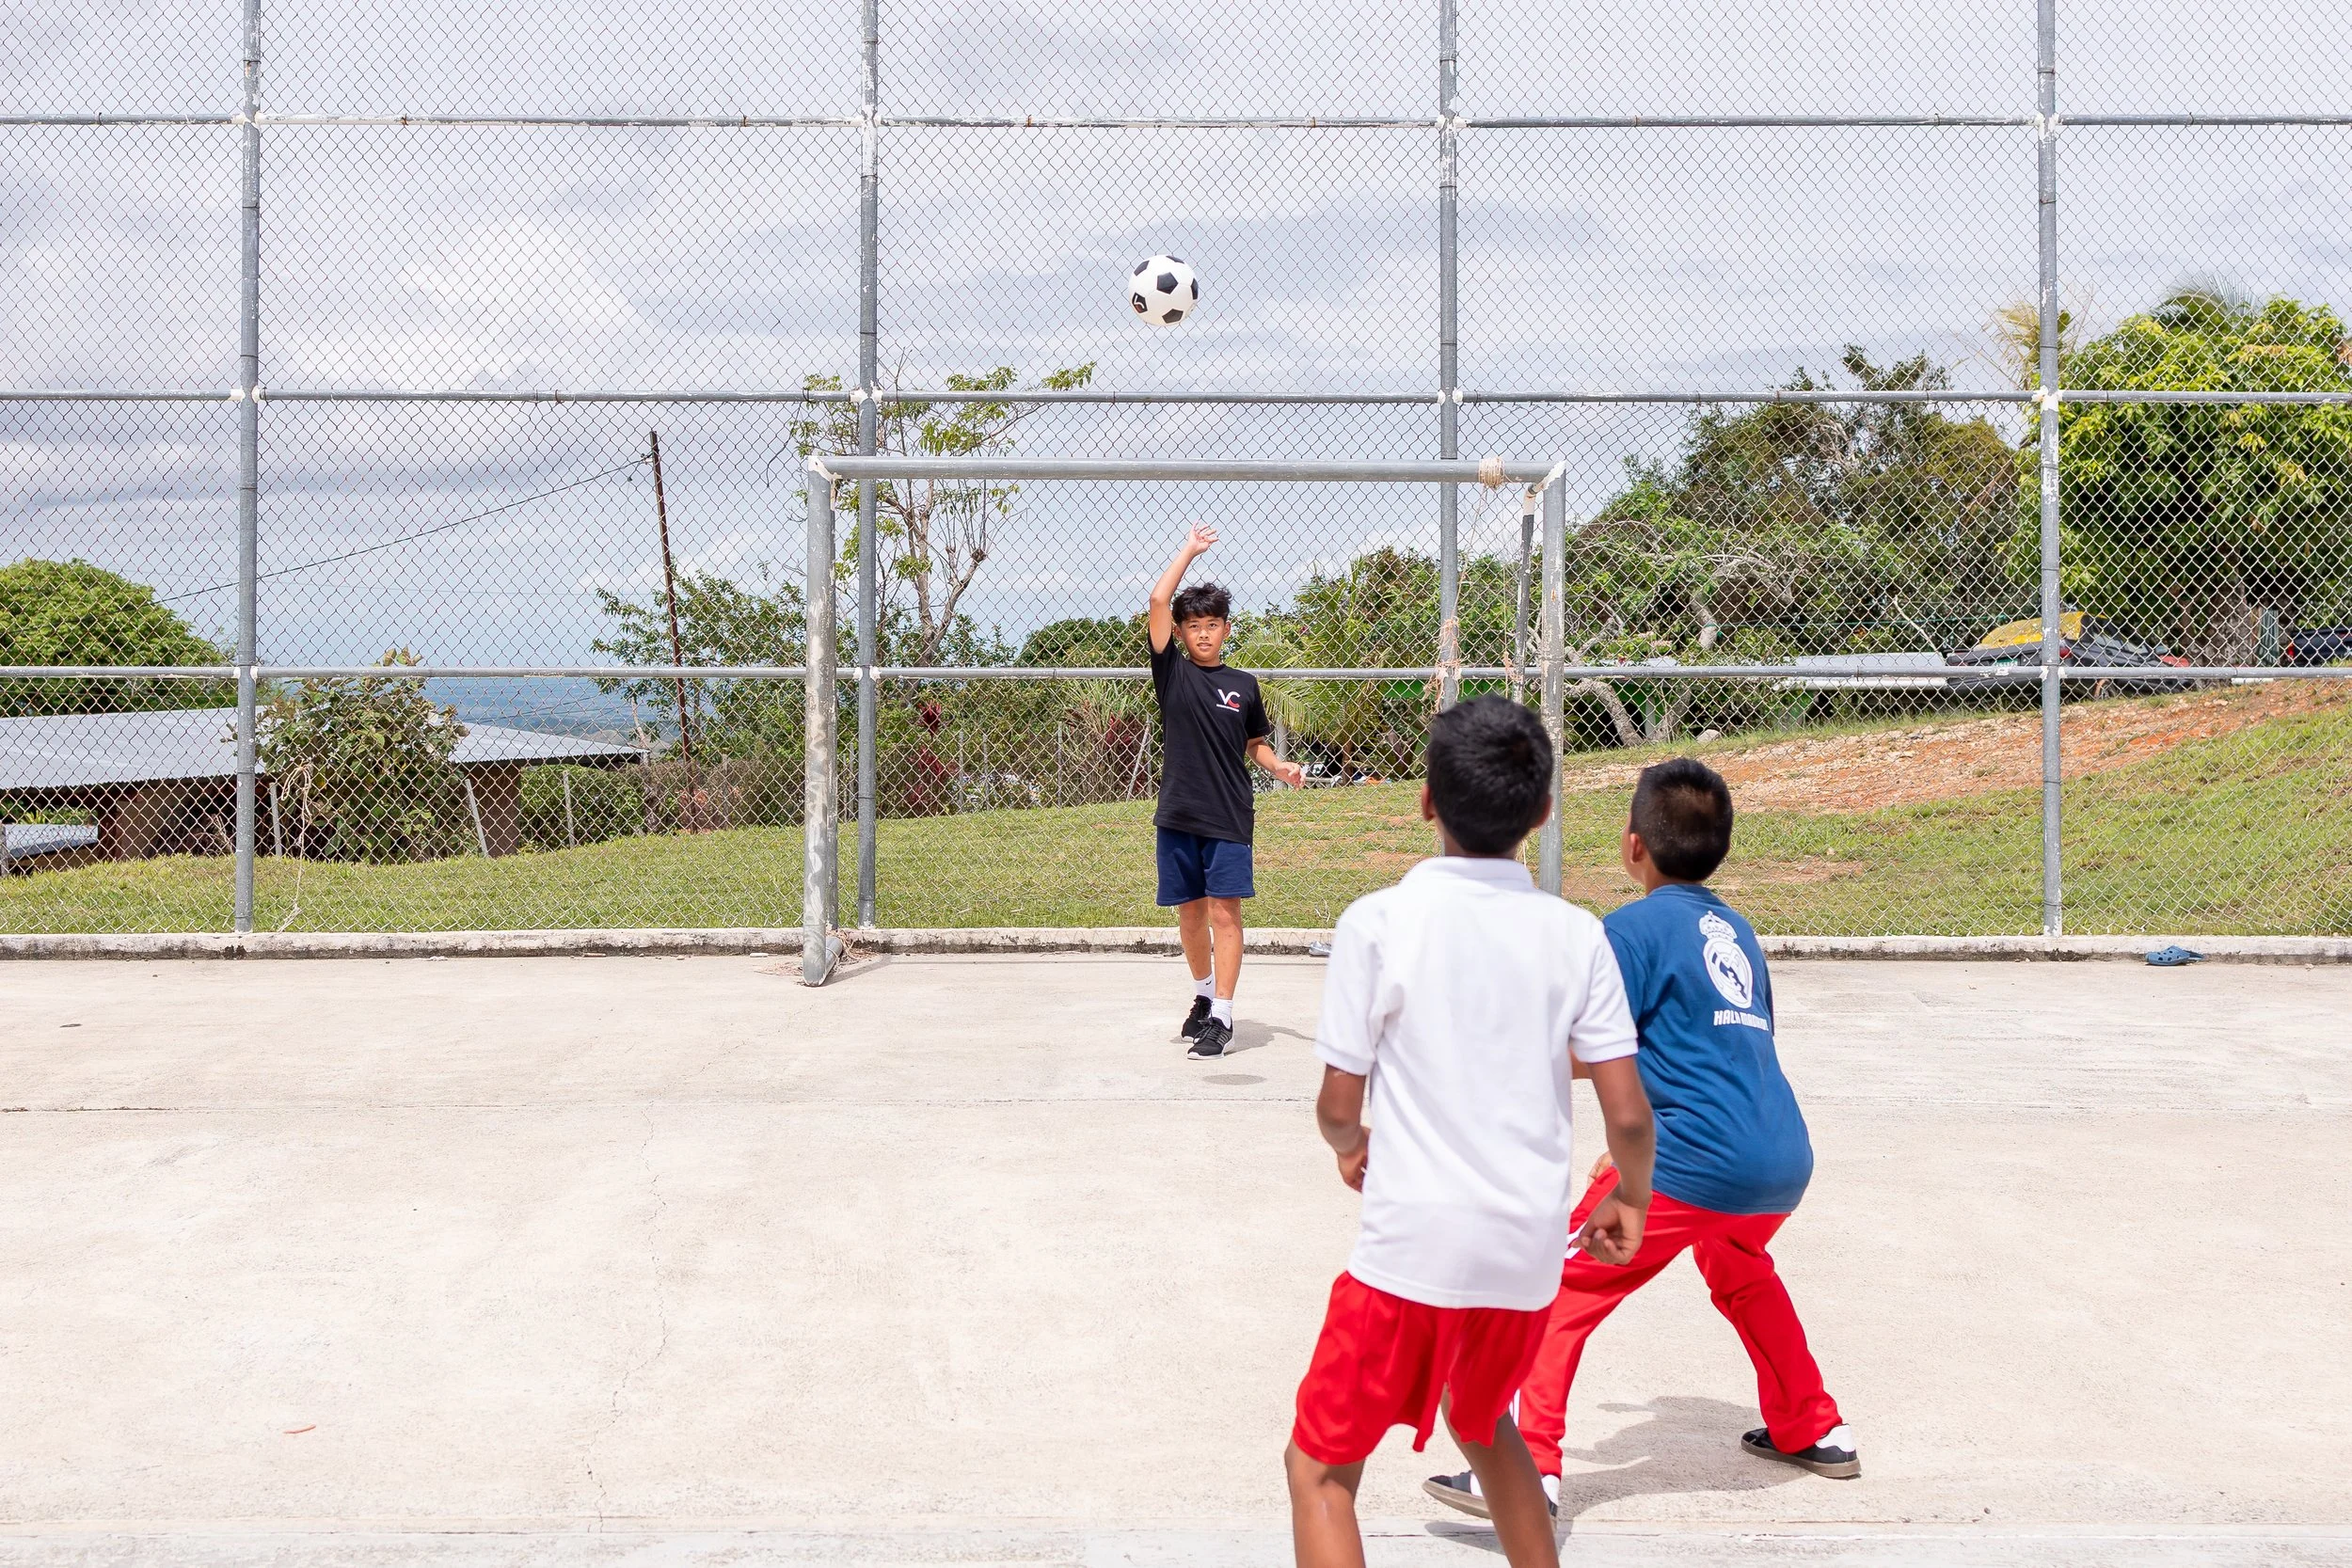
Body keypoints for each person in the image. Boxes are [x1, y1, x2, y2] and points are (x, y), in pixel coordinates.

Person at [1422, 757, 1856, 1525]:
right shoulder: (1737, 929)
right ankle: (1811, 1424)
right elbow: (1728, 1048)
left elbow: (1589, 1046)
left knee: (1555, 1284)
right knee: (1742, 1266)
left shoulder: (1628, 929)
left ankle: (1531, 1471)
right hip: (1780, 1154)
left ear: (1632, 847)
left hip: (1698, 1159)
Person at [1286, 696, 1659, 1568]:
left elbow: (1339, 1104)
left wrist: (1351, 1146)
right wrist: (1630, 1200)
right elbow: (1629, 1111)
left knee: (1322, 1470)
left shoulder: (1377, 922)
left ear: (1426, 800)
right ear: (1542, 811)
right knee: (1486, 1420)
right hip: (1523, 1253)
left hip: (1409, 1247)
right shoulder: (1577, 935)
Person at [1148, 523, 1303, 1060]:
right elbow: (1158, 598)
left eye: (1212, 625)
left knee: (1224, 915)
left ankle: (1224, 1015)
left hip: (1229, 815)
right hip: (1178, 814)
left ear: (1226, 630)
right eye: (1194, 626)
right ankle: (1202, 996)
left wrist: (1280, 767)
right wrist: (1189, 549)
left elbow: (1255, 744)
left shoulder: (1245, 685)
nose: (1203, 634)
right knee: (1189, 915)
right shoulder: (1172, 674)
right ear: (1183, 633)